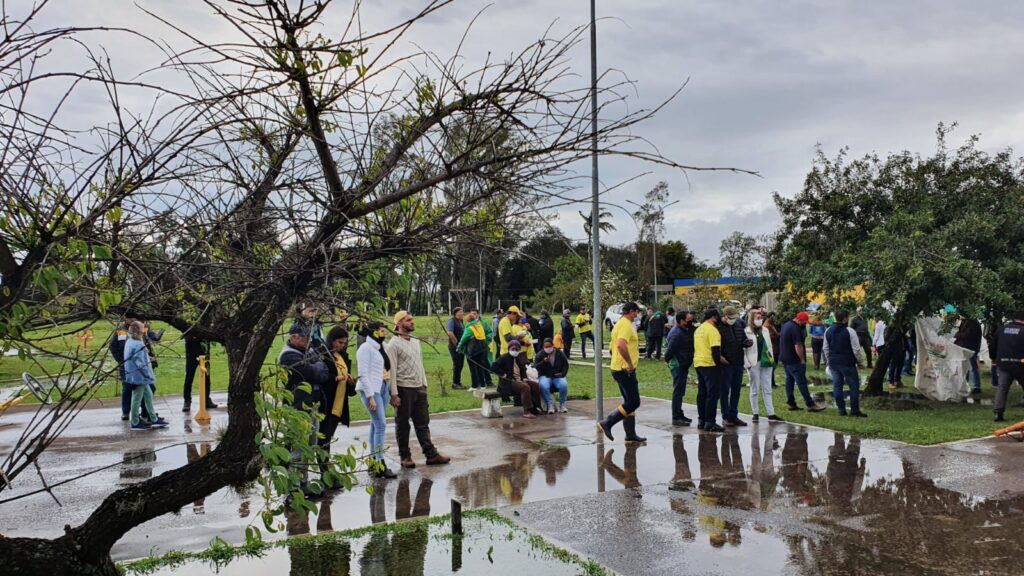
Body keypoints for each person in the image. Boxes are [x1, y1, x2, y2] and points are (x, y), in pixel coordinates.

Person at [387, 311, 450, 469]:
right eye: (409, 320)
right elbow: (391, 371)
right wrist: (394, 394)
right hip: (403, 388)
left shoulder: (415, 341)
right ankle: (405, 456)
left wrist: (424, 383)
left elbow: (419, 363)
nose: (412, 322)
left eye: (412, 319)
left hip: (419, 387)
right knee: (403, 424)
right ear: (400, 323)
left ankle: (431, 454)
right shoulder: (393, 344)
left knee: (423, 423)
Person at [278, 322, 330, 491]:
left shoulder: (309, 351)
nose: (309, 340)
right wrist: (316, 368)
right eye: (305, 337)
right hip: (297, 408)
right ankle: (293, 488)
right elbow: (311, 372)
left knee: (310, 446)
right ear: (293, 337)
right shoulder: (288, 356)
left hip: (312, 406)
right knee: (298, 449)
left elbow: (324, 371)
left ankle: (303, 483)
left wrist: (315, 367)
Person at [597, 302, 646, 444]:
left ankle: (630, 435)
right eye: (636, 312)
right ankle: (607, 422)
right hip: (625, 369)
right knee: (634, 402)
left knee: (629, 402)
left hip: (619, 368)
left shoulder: (619, 324)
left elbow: (613, 348)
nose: (637, 315)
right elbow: (620, 345)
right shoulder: (624, 324)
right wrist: (629, 364)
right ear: (631, 311)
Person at [319, 325, 362, 482]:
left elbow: (348, 385)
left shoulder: (343, 356)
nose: (341, 346)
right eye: (339, 342)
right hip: (326, 403)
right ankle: (325, 474)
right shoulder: (323, 356)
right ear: (331, 340)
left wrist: (351, 382)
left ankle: (327, 472)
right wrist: (335, 379)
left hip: (339, 404)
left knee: (328, 439)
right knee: (323, 440)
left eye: (344, 343)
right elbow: (322, 378)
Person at [356, 322, 397, 478]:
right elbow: (362, 373)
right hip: (372, 390)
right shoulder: (365, 349)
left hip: (383, 387)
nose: (384, 333)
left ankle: (374, 461)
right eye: (381, 331)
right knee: (381, 425)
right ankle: (380, 463)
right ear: (373, 333)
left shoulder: (382, 347)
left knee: (375, 424)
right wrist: (370, 396)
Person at [110, 311, 163, 421]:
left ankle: (146, 413)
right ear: (127, 319)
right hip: (128, 366)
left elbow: (152, 338)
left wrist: (157, 336)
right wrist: (121, 360)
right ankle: (126, 413)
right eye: (133, 319)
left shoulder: (142, 327)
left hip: (143, 363)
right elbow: (113, 346)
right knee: (128, 389)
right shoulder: (120, 330)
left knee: (148, 389)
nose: (135, 322)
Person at [124, 321, 168, 430]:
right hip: (139, 378)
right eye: (142, 328)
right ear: (138, 331)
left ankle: (153, 418)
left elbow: (137, 357)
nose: (145, 329)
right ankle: (135, 421)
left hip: (134, 375)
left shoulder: (129, 341)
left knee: (148, 396)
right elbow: (140, 364)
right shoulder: (138, 344)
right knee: (136, 399)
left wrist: (148, 358)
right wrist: (148, 376)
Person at [823, 311, 866, 417]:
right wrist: (860, 362)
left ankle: (841, 410)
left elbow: (825, 348)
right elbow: (856, 349)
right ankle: (854, 410)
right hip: (847, 362)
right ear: (846, 319)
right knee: (854, 385)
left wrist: (829, 360)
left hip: (834, 362)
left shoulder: (828, 330)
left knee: (837, 386)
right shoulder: (850, 331)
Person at [780, 312, 825, 412]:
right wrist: (802, 359)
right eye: (804, 322)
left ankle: (791, 403)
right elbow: (798, 346)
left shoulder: (786, 325)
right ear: (799, 320)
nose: (804, 324)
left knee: (789, 381)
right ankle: (810, 404)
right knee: (801, 382)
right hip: (794, 359)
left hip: (785, 358)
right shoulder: (795, 329)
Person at [744, 309, 781, 422]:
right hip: (754, 362)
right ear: (751, 319)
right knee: (754, 389)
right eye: (757, 318)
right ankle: (755, 413)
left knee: (767, 388)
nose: (760, 320)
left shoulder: (765, 330)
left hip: (766, 362)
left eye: (761, 318)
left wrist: (772, 359)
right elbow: (743, 349)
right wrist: (747, 363)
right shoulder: (746, 331)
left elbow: (769, 346)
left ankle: (771, 413)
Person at [491, 340, 543, 418]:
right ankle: (526, 411)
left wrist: (524, 377)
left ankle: (534, 408)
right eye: (513, 349)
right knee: (525, 387)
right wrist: (503, 374)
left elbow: (522, 369)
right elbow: (493, 367)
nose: (515, 351)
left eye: (517, 349)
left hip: (519, 381)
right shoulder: (504, 357)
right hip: (508, 383)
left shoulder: (518, 358)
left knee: (535, 385)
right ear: (509, 349)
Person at [693, 308, 726, 433]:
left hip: (698, 363)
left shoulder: (699, 329)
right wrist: (719, 365)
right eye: (717, 317)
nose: (718, 319)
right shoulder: (713, 331)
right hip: (710, 365)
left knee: (702, 393)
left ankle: (701, 420)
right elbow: (715, 351)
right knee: (712, 395)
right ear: (713, 317)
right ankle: (710, 422)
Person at [718, 305, 751, 427]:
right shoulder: (718, 327)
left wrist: (747, 343)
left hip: (738, 362)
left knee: (736, 390)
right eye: (731, 317)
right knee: (724, 390)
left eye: (734, 317)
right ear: (725, 316)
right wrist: (720, 358)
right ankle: (725, 416)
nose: (733, 320)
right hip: (725, 364)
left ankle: (734, 415)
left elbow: (742, 339)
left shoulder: (738, 325)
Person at [664, 310, 695, 426]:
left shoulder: (684, 330)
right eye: (689, 319)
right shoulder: (677, 333)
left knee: (680, 391)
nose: (691, 321)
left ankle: (679, 413)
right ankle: (676, 417)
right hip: (678, 364)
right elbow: (670, 350)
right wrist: (667, 360)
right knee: (678, 391)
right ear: (682, 321)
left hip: (683, 364)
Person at [993, 312, 1024, 423]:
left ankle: (998, 413)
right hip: (1020, 365)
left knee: (1002, 388)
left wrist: (994, 358)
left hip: (1003, 363)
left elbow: (993, 345)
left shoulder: (1002, 329)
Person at [456, 308, 494, 389]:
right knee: (480, 367)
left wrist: (459, 347)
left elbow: (463, 339)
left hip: (473, 351)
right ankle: (483, 385)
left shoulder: (470, 327)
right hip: (482, 349)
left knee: (473, 368)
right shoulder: (479, 325)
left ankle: (475, 385)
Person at [182, 335, 218, 413]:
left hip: (204, 353)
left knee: (207, 378)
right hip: (191, 354)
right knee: (189, 378)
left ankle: (206, 399)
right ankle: (187, 401)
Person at [534, 338, 570, 414]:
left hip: (557, 376)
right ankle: (550, 403)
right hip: (545, 375)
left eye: (549, 346)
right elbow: (536, 366)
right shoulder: (540, 354)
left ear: (553, 345)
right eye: (545, 347)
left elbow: (565, 365)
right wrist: (543, 362)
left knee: (564, 385)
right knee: (543, 385)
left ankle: (562, 404)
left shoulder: (559, 353)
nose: (547, 348)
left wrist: (563, 374)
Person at [954, 313, 983, 395]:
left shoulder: (972, 323)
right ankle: (966, 384)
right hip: (966, 347)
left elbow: (968, 335)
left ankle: (976, 386)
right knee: (966, 367)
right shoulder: (966, 322)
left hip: (970, 348)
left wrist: (957, 335)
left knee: (972, 367)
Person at [446, 308, 466, 390]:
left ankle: (458, 382)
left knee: (460, 364)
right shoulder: (452, 321)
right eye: (461, 312)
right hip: (454, 347)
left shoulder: (461, 321)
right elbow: (450, 333)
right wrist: (456, 344)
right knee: (457, 364)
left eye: (462, 312)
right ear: (456, 313)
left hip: (461, 347)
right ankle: (455, 383)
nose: (462, 313)